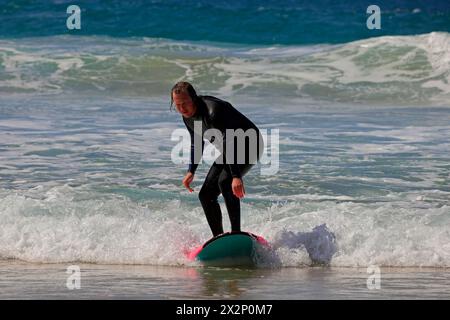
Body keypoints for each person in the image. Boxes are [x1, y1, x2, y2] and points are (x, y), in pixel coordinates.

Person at [170, 81, 263, 237]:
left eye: (185, 103)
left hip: (250, 144)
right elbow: (197, 142)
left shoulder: (213, 112)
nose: (181, 108)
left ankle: (236, 234)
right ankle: (218, 238)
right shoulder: (188, 117)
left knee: (225, 182)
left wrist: (236, 176)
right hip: (230, 149)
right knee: (206, 195)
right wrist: (191, 171)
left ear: (194, 98)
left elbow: (228, 141)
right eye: (177, 105)